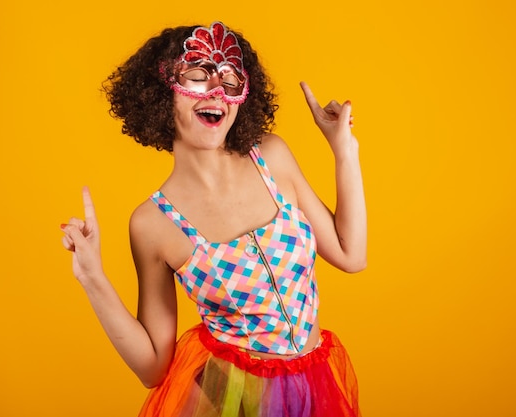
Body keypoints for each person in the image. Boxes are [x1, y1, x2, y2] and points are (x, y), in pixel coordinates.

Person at [61, 21, 367, 417]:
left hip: (312, 387)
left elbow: (351, 255)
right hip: (229, 402)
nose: (217, 92)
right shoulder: (153, 223)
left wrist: (344, 150)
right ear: (161, 93)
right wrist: (92, 278)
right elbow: (153, 367)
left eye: (229, 77)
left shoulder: (272, 158)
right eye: (198, 75)